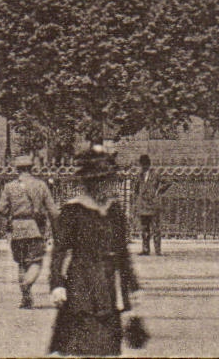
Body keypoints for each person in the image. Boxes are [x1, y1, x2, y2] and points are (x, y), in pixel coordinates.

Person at [48, 145, 140, 357]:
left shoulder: (114, 210)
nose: (105, 186)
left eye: (107, 180)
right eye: (99, 181)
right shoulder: (73, 210)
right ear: (89, 183)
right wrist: (57, 284)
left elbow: (122, 253)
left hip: (110, 287)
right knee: (82, 344)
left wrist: (132, 286)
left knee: (109, 346)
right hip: (81, 284)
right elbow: (59, 250)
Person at [0, 154, 60, 308]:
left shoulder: (10, 187)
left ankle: (26, 298)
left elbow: (1, 210)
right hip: (35, 228)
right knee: (36, 261)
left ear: (17, 169)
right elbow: (53, 211)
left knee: (22, 264)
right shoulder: (40, 185)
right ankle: (27, 284)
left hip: (17, 229)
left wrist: (5, 225)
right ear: (32, 168)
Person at [132, 154, 169, 257]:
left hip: (153, 205)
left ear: (149, 164)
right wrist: (136, 201)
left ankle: (158, 250)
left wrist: (160, 191)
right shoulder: (139, 175)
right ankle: (145, 249)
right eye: (142, 165)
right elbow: (135, 190)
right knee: (144, 228)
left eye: (145, 165)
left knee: (156, 228)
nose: (143, 167)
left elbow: (168, 182)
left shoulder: (155, 174)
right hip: (143, 205)